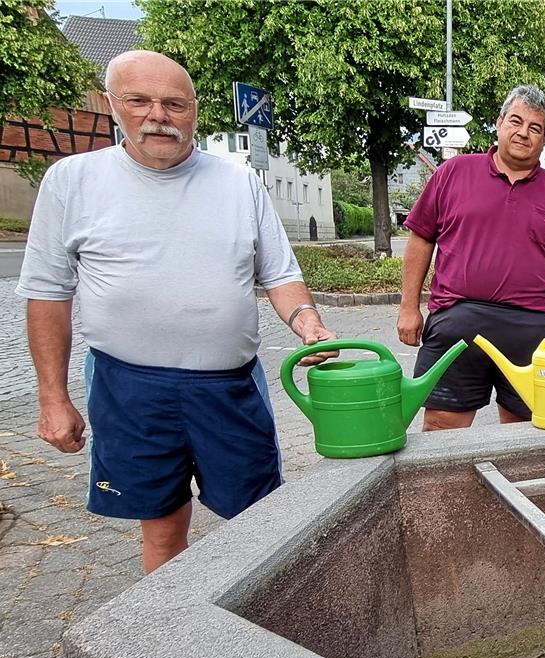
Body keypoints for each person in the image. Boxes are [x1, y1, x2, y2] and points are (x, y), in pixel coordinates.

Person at [16, 50, 336, 573]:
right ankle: (170, 636)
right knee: (162, 527)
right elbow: (47, 292)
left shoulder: (238, 184)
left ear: (194, 111)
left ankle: (262, 629)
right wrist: (53, 398)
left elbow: (279, 274)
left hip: (227, 387)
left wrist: (308, 323)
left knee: (258, 520)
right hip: (128, 387)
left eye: (174, 104)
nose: (157, 115)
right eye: (139, 101)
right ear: (113, 105)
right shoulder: (72, 181)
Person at [398, 85, 545, 430]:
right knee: (441, 426)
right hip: (457, 322)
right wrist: (408, 307)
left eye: (535, 128)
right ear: (499, 123)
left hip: (534, 330)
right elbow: (421, 238)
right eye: (516, 121)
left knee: (525, 432)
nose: (523, 133)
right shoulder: (453, 172)